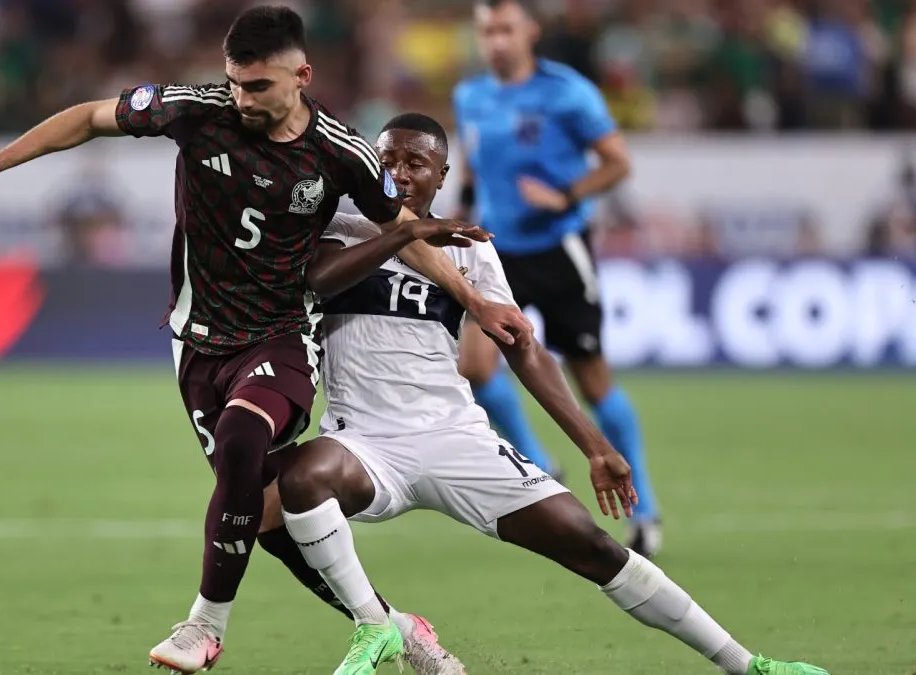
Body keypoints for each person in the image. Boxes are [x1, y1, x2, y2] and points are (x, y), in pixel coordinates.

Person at [0, 6, 528, 674]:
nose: (242, 98)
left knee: (246, 440)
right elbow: (91, 116)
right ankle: (391, 626)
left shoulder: (341, 150)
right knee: (265, 522)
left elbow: (407, 228)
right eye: (235, 82)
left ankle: (203, 626)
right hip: (196, 345)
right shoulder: (195, 110)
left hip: (279, 338)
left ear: (301, 76)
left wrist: (473, 296)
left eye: (259, 86)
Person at [278, 112, 830, 675]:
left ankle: (747, 665)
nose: (397, 173)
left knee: (592, 545)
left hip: (455, 438)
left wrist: (593, 446)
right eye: (386, 160)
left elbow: (524, 349)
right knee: (300, 480)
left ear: (442, 176)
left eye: (415, 162)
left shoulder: (470, 248)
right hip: (365, 444)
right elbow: (320, 280)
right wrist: (406, 231)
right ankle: (378, 625)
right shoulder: (339, 227)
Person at [452, 0, 663, 555]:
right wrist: (458, 219)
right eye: (486, 31)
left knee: (592, 378)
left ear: (530, 32)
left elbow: (617, 162)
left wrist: (566, 195)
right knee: (474, 367)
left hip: (558, 249)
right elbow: (473, 166)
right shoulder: (470, 95)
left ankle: (647, 510)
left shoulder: (567, 92)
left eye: (505, 29)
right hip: (494, 252)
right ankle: (540, 465)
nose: (495, 41)